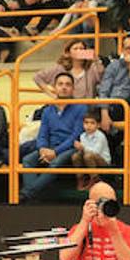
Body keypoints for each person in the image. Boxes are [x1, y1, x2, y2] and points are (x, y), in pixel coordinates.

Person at [20, 71, 84, 201]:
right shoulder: (48, 110)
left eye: (68, 84)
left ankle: (27, 194)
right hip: (49, 147)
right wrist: (43, 148)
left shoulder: (81, 107)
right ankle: (32, 194)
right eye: (60, 84)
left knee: (56, 162)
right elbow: (42, 133)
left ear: (73, 88)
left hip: (70, 147)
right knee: (27, 160)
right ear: (55, 88)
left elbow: (75, 136)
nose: (64, 87)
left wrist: (55, 152)